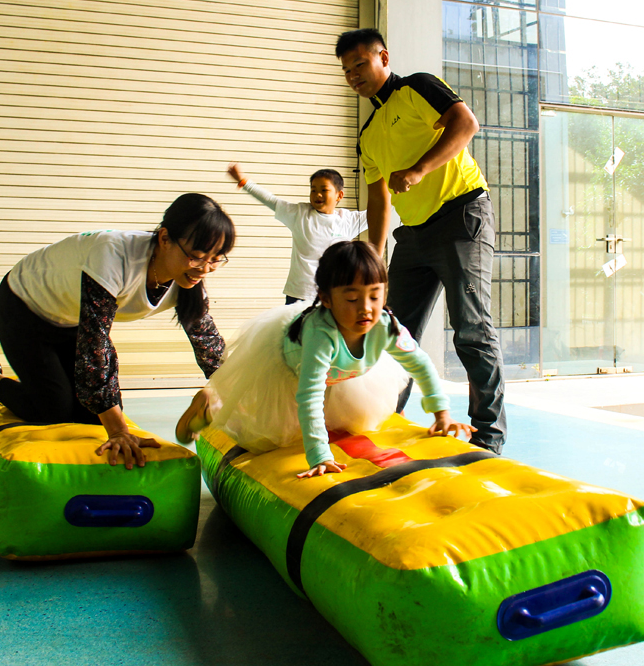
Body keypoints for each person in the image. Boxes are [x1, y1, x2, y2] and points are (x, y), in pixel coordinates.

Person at [0, 193, 234, 469]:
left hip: (70, 320)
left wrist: (224, 392)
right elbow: (95, 346)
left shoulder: (188, 282)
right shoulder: (114, 256)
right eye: (197, 257)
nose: (205, 269)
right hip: (23, 305)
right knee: (54, 408)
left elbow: (209, 345)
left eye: (215, 259)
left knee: (90, 417)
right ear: (164, 238)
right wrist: (118, 431)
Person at [336, 28, 507, 455]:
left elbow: (466, 123)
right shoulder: (368, 134)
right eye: (347, 71)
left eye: (360, 64)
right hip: (413, 235)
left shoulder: (417, 88)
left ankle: (488, 437)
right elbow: (378, 199)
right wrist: (374, 259)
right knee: (393, 331)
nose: (354, 75)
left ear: (383, 57)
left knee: (471, 329)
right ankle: (385, 419)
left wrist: (418, 170)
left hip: (461, 215)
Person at [174, 240, 472, 478]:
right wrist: (320, 455)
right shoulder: (320, 334)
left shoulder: (384, 325)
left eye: (375, 296)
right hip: (287, 368)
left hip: (342, 374)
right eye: (352, 299)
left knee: (356, 421)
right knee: (266, 435)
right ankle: (211, 405)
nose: (365, 309)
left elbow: (420, 363)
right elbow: (310, 395)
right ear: (327, 299)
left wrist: (441, 413)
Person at [226, 163, 369, 303]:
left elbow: (378, 210)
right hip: (300, 295)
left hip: (333, 296)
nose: (317, 194)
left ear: (339, 195)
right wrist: (243, 182)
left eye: (324, 190)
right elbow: (270, 200)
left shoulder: (348, 221)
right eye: (313, 190)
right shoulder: (300, 214)